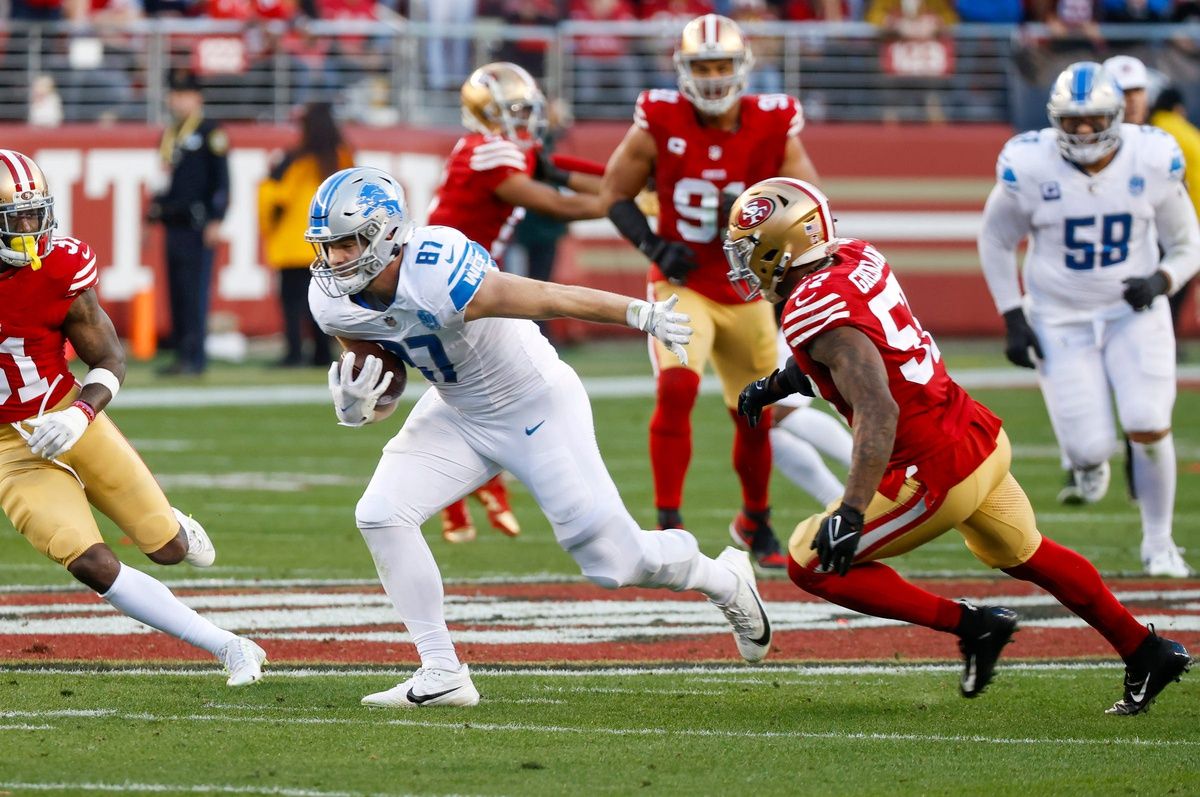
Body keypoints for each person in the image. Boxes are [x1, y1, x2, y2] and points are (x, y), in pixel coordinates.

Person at [305, 166, 771, 707]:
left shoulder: (436, 270)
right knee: (380, 513)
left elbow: (549, 297)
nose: (335, 259)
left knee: (615, 565)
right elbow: (385, 373)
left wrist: (638, 313)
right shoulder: (331, 298)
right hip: (457, 412)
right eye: (327, 246)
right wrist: (361, 404)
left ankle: (723, 578)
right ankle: (442, 672)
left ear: (386, 233)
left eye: (346, 243)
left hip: (534, 404)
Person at [729, 176, 1191, 716]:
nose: (742, 262)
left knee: (811, 563)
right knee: (1027, 552)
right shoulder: (856, 255)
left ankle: (974, 626)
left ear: (782, 247)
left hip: (930, 467)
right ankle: (1144, 648)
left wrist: (852, 511)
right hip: (976, 433)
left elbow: (877, 405)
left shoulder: (813, 309)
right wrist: (778, 384)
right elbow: (859, 352)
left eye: (749, 249)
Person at [0, 149, 266, 687]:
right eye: (16, 219)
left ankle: (176, 527)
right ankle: (231, 646)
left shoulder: (59, 267)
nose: (31, 230)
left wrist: (78, 415)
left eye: (36, 214)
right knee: (90, 562)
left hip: (68, 414)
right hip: (8, 446)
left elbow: (110, 359)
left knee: (166, 549)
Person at [600, 13, 821, 568]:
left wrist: (758, 206)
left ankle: (756, 520)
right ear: (684, 69)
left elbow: (808, 200)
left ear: (743, 67)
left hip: (746, 291)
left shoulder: (773, 121)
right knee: (675, 391)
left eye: (723, 64)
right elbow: (614, 193)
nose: (716, 76)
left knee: (755, 413)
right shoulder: (658, 117)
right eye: (705, 66)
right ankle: (668, 523)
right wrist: (652, 247)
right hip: (682, 285)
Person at [978, 62, 1200, 578]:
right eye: (1072, 120)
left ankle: (1159, 542)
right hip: (1058, 319)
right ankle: (1089, 462)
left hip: (1134, 315)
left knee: (1147, 422)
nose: (1082, 131)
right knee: (1088, 448)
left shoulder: (1152, 157)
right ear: (1055, 119)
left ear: (1117, 116)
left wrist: (1161, 281)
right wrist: (1012, 314)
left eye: (1094, 119)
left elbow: (1188, 245)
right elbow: (995, 240)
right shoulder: (1029, 164)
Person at [428, 61, 607, 544]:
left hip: (468, 274)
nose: (525, 119)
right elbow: (558, 201)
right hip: (448, 282)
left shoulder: (502, 148)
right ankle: (479, 485)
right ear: (485, 113)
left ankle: (471, 492)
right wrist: (625, 202)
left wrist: (626, 182)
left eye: (527, 110)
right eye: (514, 110)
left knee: (471, 387)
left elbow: (563, 172)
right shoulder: (488, 152)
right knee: (508, 384)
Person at [147, 68, 230, 376]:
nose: (177, 100)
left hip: (198, 224)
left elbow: (222, 181)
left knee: (195, 291)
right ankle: (182, 353)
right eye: (174, 94)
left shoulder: (210, 132)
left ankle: (195, 357)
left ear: (197, 97)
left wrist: (217, 218)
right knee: (177, 290)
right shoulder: (170, 134)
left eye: (183, 94)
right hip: (173, 222)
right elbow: (163, 179)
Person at [258, 102, 352, 367]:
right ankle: (323, 354)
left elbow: (276, 198)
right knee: (323, 303)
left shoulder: (294, 159)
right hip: (327, 244)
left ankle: (294, 353)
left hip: (292, 243)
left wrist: (269, 227)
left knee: (292, 305)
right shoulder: (342, 158)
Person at [1150, 86, 1200, 362]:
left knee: (1164, 285)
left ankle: (1163, 340)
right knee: (1174, 285)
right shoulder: (1189, 133)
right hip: (1189, 218)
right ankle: (1166, 340)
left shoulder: (1155, 133)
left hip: (1164, 220)